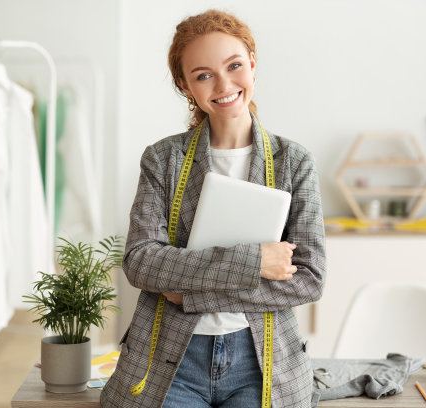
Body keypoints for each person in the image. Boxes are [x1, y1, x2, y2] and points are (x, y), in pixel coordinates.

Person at [101, 9, 326, 408]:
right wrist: (254, 261)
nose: (224, 85)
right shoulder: (163, 160)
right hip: (172, 361)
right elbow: (140, 262)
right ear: (185, 84)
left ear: (252, 65)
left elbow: (308, 278)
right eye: (204, 75)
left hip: (261, 364)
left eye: (234, 66)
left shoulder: (294, 161)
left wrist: (190, 295)